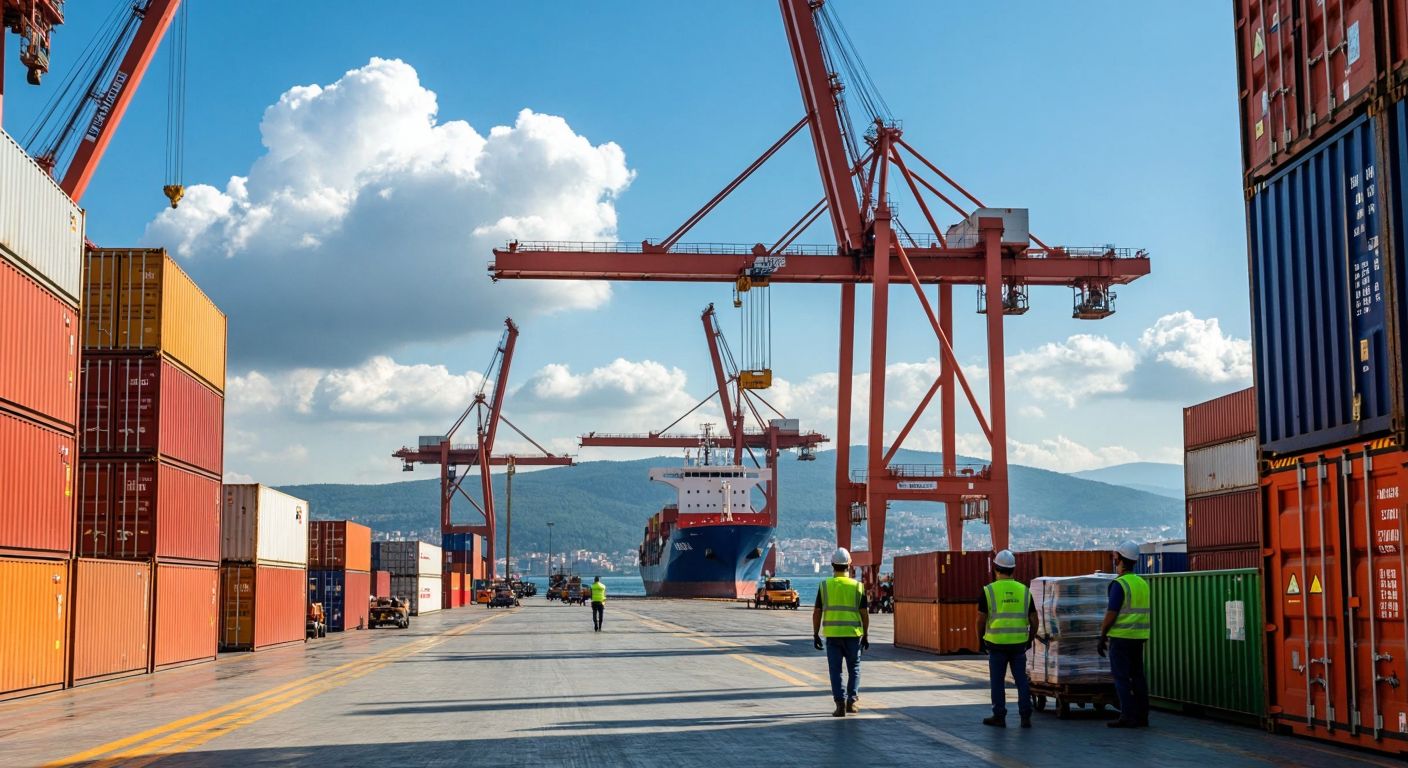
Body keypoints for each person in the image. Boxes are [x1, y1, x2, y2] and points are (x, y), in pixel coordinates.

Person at [977, 549, 1038, 728]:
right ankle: (1025, 716)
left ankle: (999, 716)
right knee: (1021, 681)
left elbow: (980, 620)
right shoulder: (1025, 591)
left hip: (996, 644)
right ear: (1013, 569)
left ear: (995, 568)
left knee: (997, 682)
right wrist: (1029, 639)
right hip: (1019, 644)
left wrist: (980, 640)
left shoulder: (988, 591)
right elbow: (1035, 620)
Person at [1098, 541, 1151, 728]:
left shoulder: (1119, 584)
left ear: (1119, 558)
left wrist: (1102, 634)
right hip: (1139, 636)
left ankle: (1127, 716)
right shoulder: (1142, 583)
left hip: (1121, 637)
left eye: (1115, 557)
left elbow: (1111, 613)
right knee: (1137, 676)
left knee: (1121, 677)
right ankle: (1142, 716)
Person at [812, 547, 869, 717]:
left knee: (835, 671)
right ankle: (851, 702)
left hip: (833, 635)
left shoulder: (825, 586)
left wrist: (815, 634)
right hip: (853, 635)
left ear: (832, 565)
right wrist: (865, 634)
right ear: (850, 565)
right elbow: (864, 614)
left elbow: (817, 612)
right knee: (855, 668)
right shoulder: (858, 586)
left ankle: (839, 704)